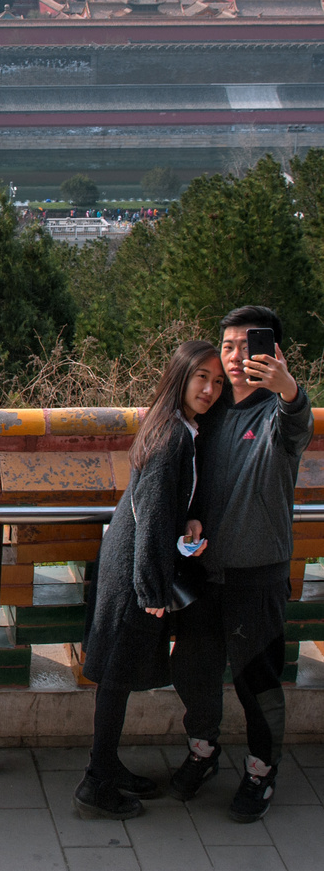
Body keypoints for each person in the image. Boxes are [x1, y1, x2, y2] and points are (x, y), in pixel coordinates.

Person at [169, 306, 313, 823]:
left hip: (258, 575)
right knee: (194, 670)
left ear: (271, 353)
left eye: (245, 346)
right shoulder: (209, 410)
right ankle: (203, 751)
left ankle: (261, 770)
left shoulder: (277, 412)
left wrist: (290, 389)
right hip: (203, 572)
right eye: (226, 346)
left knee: (258, 681)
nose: (233, 357)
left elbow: (299, 425)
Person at [74, 341, 225, 820]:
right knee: (116, 679)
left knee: (117, 678)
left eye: (218, 381)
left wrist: (191, 522)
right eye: (201, 376)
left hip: (134, 569)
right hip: (136, 579)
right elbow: (154, 518)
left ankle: (107, 766)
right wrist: (152, 591)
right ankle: (96, 782)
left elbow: (164, 510)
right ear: (180, 376)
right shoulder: (172, 438)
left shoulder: (175, 427)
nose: (210, 388)